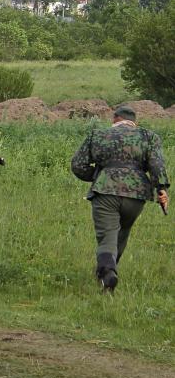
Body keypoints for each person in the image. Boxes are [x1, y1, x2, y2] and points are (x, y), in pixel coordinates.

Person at [70, 105, 169, 293]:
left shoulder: (97, 135)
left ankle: (107, 273)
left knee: (107, 236)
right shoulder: (149, 136)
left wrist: (99, 175)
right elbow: (157, 165)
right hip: (137, 194)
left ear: (115, 119)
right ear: (134, 122)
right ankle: (109, 272)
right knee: (123, 232)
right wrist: (161, 189)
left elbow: (78, 165)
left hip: (106, 192)